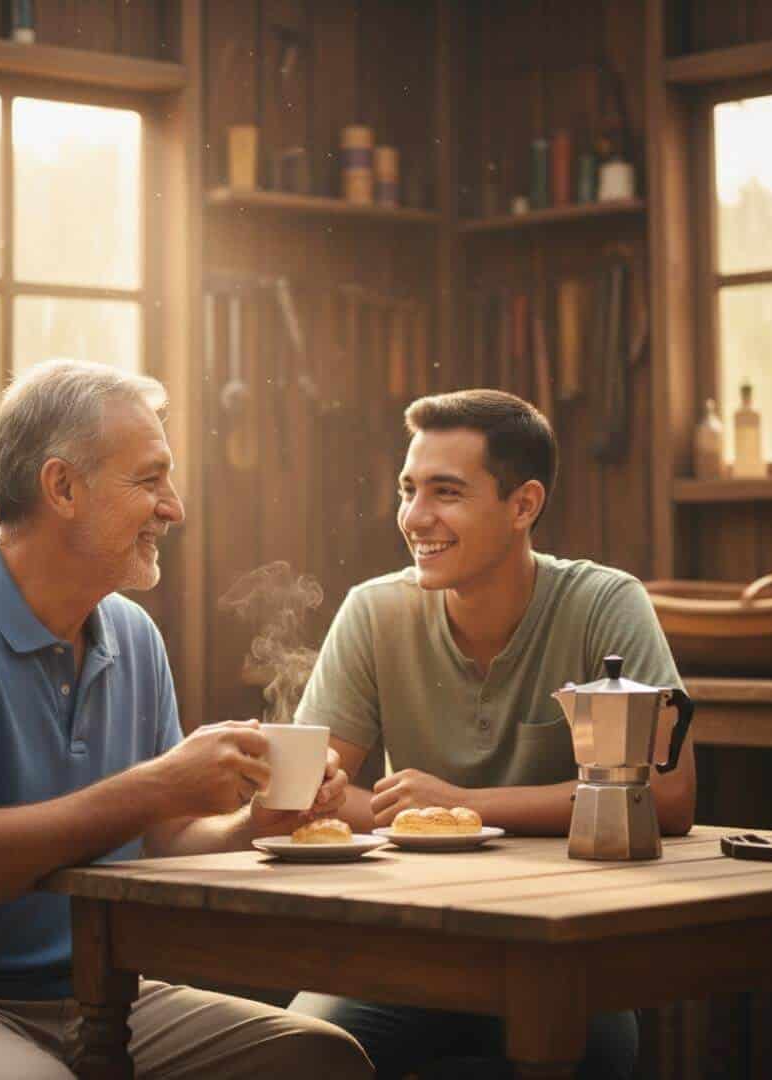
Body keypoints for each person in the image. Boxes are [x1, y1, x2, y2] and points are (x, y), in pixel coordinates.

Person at [0, 359, 372, 1080]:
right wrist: (158, 786)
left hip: (99, 993)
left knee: (319, 1058)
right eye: (150, 479)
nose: (174, 507)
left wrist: (252, 827)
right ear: (62, 487)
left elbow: (163, 840)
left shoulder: (133, 637)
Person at [290, 388, 696, 1079]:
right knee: (294, 1052)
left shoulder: (605, 602)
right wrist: (411, 812)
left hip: (566, 954)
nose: (416, 517)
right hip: (408, 952)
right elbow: (309, 793)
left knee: (595, 1054)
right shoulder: (374, 611)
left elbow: (669, 797)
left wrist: (462, 806)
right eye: (408, 489)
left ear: (524, 505)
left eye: (446, 492)